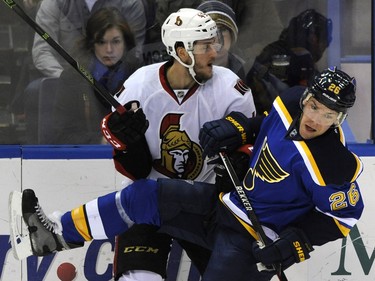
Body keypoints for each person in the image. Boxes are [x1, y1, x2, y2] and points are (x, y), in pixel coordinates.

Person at [17, 67, 364, 281]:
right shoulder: (289, 102)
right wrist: (238, 129)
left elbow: (343, 219)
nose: (315, 118)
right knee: (143, 196)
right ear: (306, 97)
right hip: (224, 206)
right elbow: (264, 125)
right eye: (315, 105)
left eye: (329, 115)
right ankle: (53, 235)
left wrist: (298, 244)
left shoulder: (335, 164)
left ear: (340, 119)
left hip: (255, 240)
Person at [100, 8, 255, 281]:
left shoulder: (231, 89)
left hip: (205, 204)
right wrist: (127, 143)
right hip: (149, 200)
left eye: (214, 43)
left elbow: (250, 150)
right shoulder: (138, 86)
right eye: (206, 45)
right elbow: (134, 169)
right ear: (182, 52)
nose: (214, 52)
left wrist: (238, 156)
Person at [49, 7, 141, 144]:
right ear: (92, 44)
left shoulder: (140, 76)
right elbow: (61, 136)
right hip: (88, 160)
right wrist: (100, 141)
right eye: (101, 42)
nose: (109, 50)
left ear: (125, 42)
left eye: (116, 41)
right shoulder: (72, 78)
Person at [246, 9, 333, 115]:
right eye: (324, 42)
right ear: (313, 38)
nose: (323, 48)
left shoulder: (276, 52)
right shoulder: (282, 57)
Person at [197, 0, 246, 80]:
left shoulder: (249, 72)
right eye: (209, 31)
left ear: (232, 36)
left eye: (222, 30)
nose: (216, 39)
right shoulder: (184, 74)